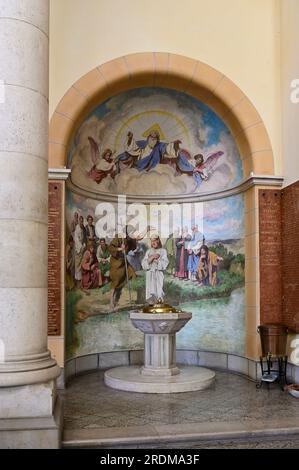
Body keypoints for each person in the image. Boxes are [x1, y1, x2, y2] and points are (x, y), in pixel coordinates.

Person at [117, 131, 181, 172]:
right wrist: (130, 139)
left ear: (157, 140)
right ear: (148, 138)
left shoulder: (158, 146)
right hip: (135, 168)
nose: (152, 140)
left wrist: (174, 145)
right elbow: (131, 148)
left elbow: (166, 147)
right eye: (151, 138)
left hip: (148, 170)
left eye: (155, 139)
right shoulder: (142, 143)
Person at [108, 234, 136, 310]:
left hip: (124, 262)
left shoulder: (127, 239)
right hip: (116, 263)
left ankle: (129, 297)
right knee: (116, 280)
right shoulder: (117, 238)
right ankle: (111, 301)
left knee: (132, 274)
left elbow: (134, 244)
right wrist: (120, 249)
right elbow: (110, 248)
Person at [142, 234, 169, 303]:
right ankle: (151, 304)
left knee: (159, 289)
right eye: (152, 241)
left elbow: (165, 263)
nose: (153, 243)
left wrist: (157, 261)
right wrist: (152, 257)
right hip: (150, 273)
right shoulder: (148, 251)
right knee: (150, 290)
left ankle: (160, 302)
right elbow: (144, 264)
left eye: (155, 241)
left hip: (158, 274)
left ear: (158, 241)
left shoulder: (163, 251)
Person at [74, 215, 87, 287]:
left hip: (83, 248)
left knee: (82, 264)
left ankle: (82, 282)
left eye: (82, 220)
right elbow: (76, 239)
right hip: (78, 249)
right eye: (80, 220)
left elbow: (84, 239)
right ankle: (77, 282)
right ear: (78, 221)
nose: (81, 222)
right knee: (77, 265)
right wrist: (80, 247)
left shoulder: (84, 228)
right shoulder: (77, 228)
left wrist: (84, 246)